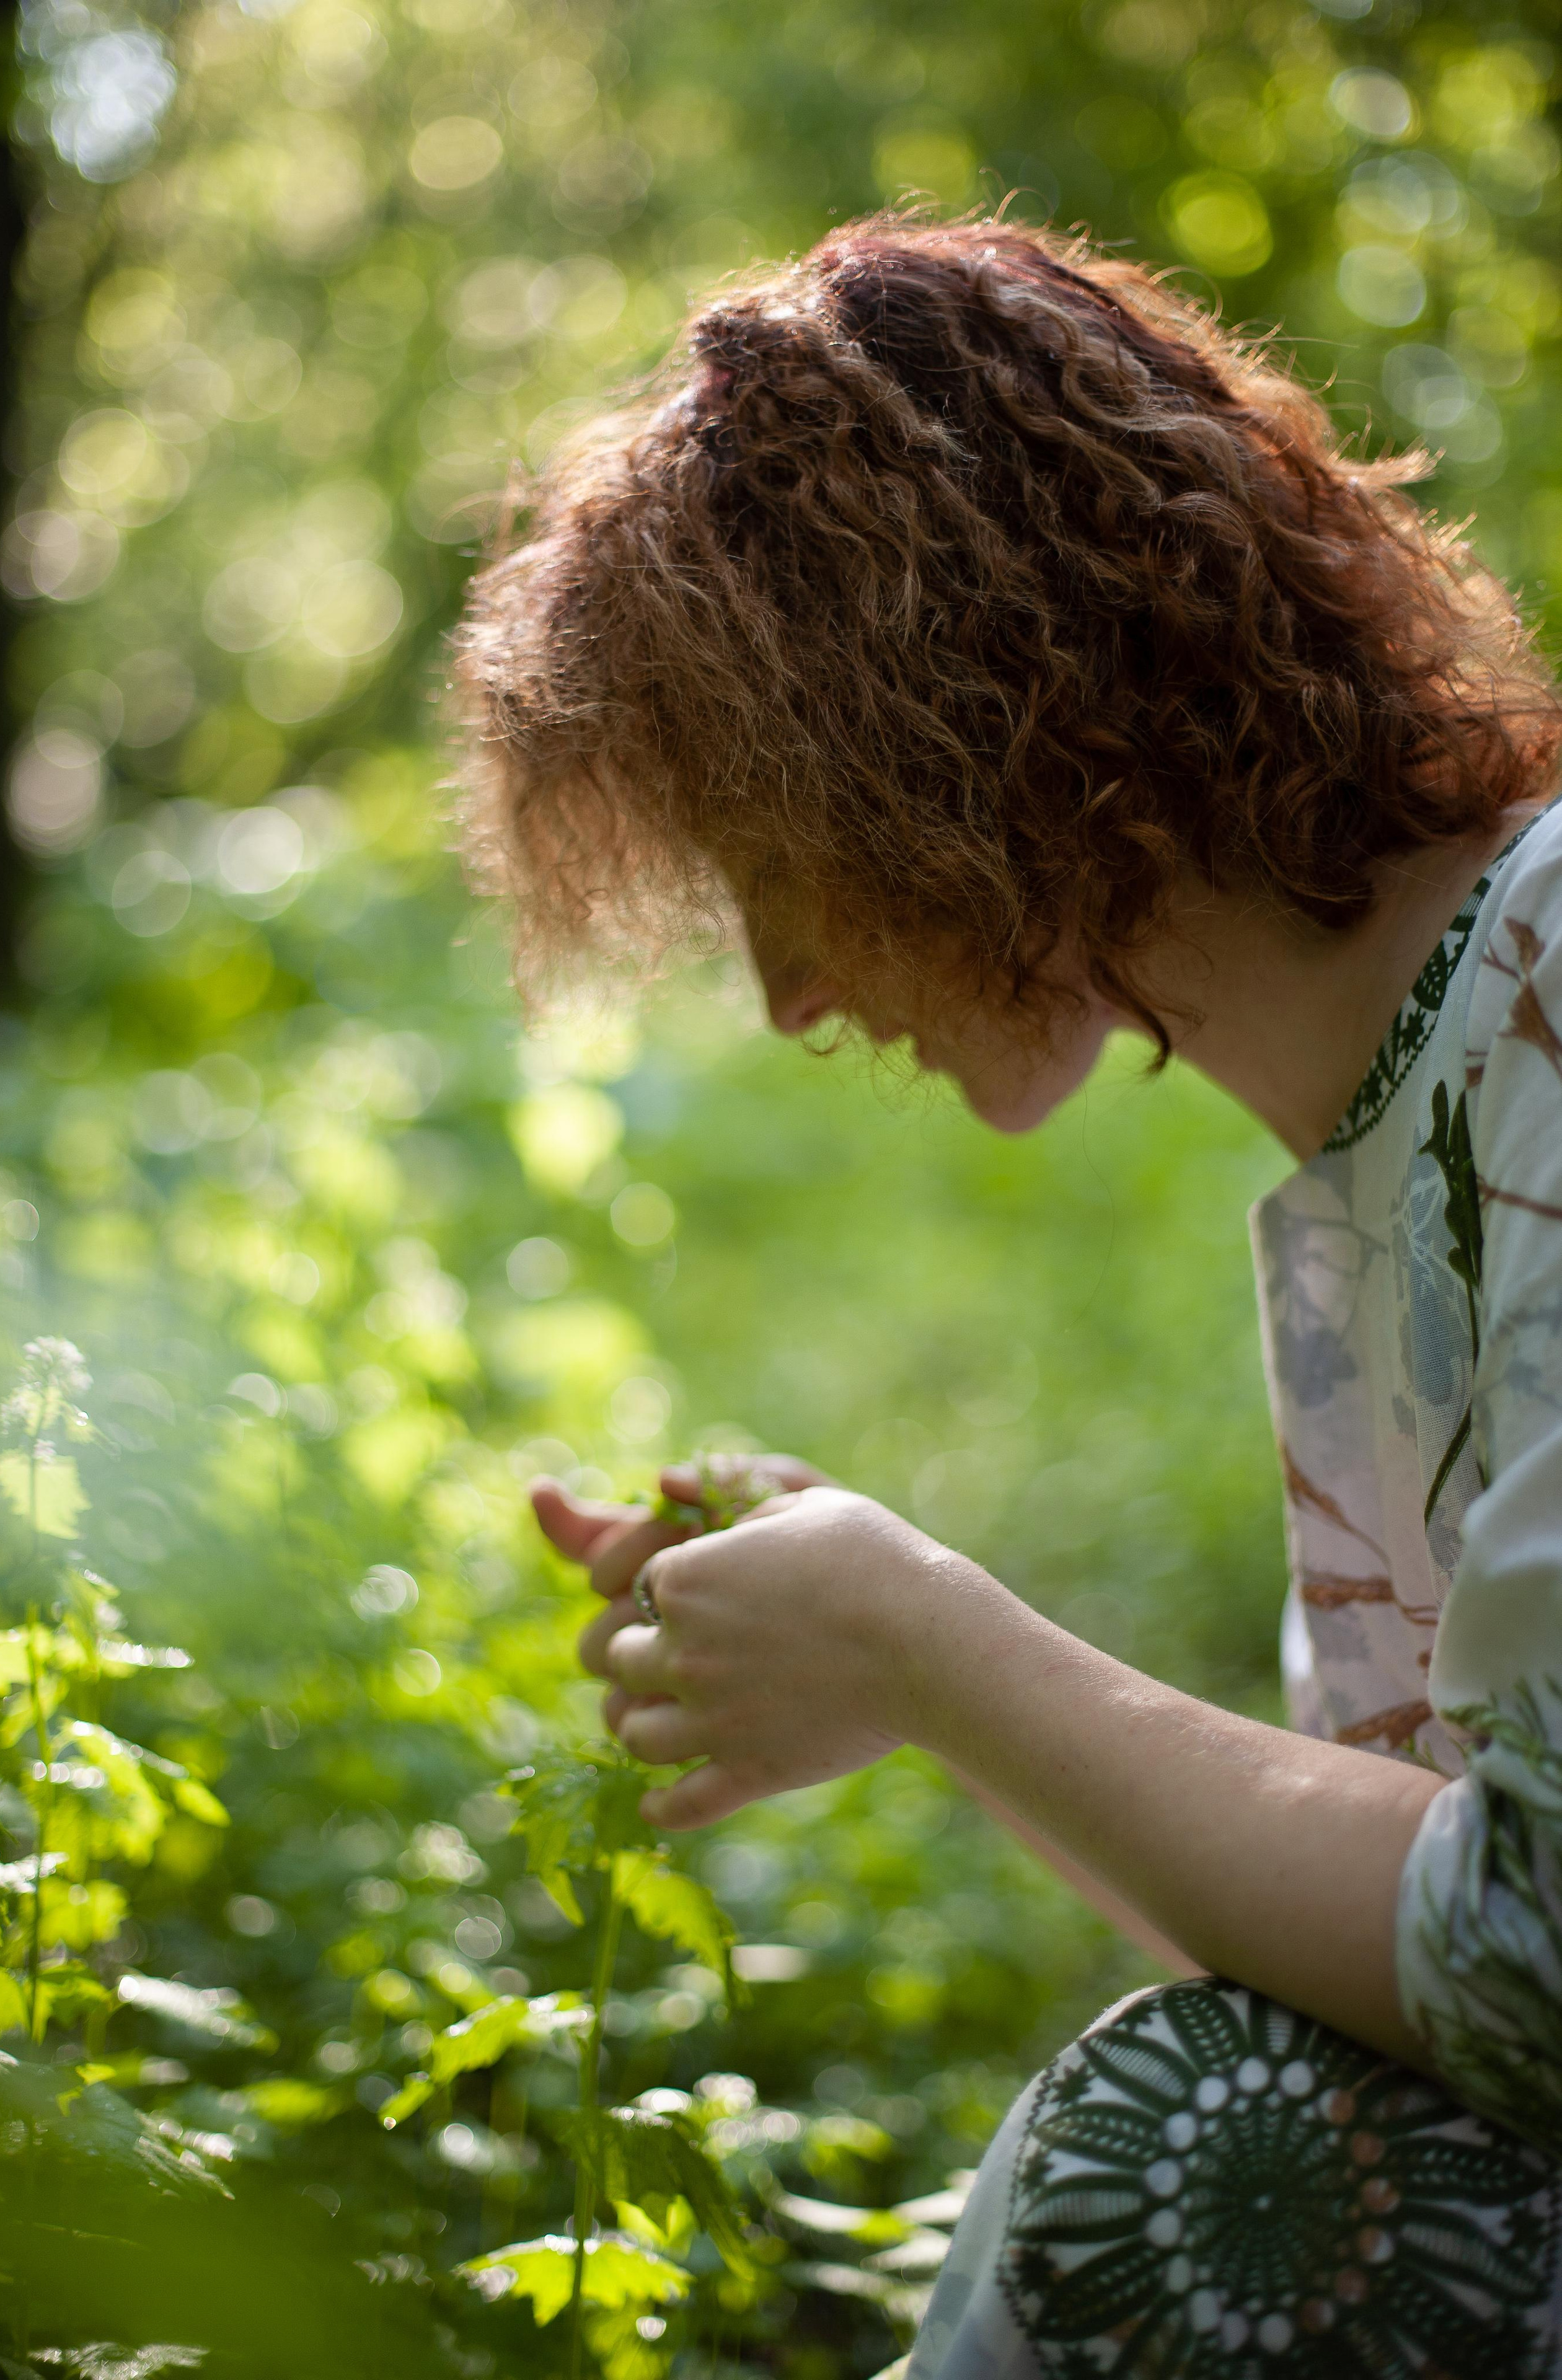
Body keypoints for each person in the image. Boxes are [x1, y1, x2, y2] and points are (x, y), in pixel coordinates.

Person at [456, 215, 1562, 2374]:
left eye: (774, 864)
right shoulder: (1386, 1154)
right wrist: (911, 1671)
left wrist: (935, 1637)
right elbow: (1403, 1991)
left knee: (1165, 2162)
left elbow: (1534, 1960)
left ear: (951, 737)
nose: (785, 995)